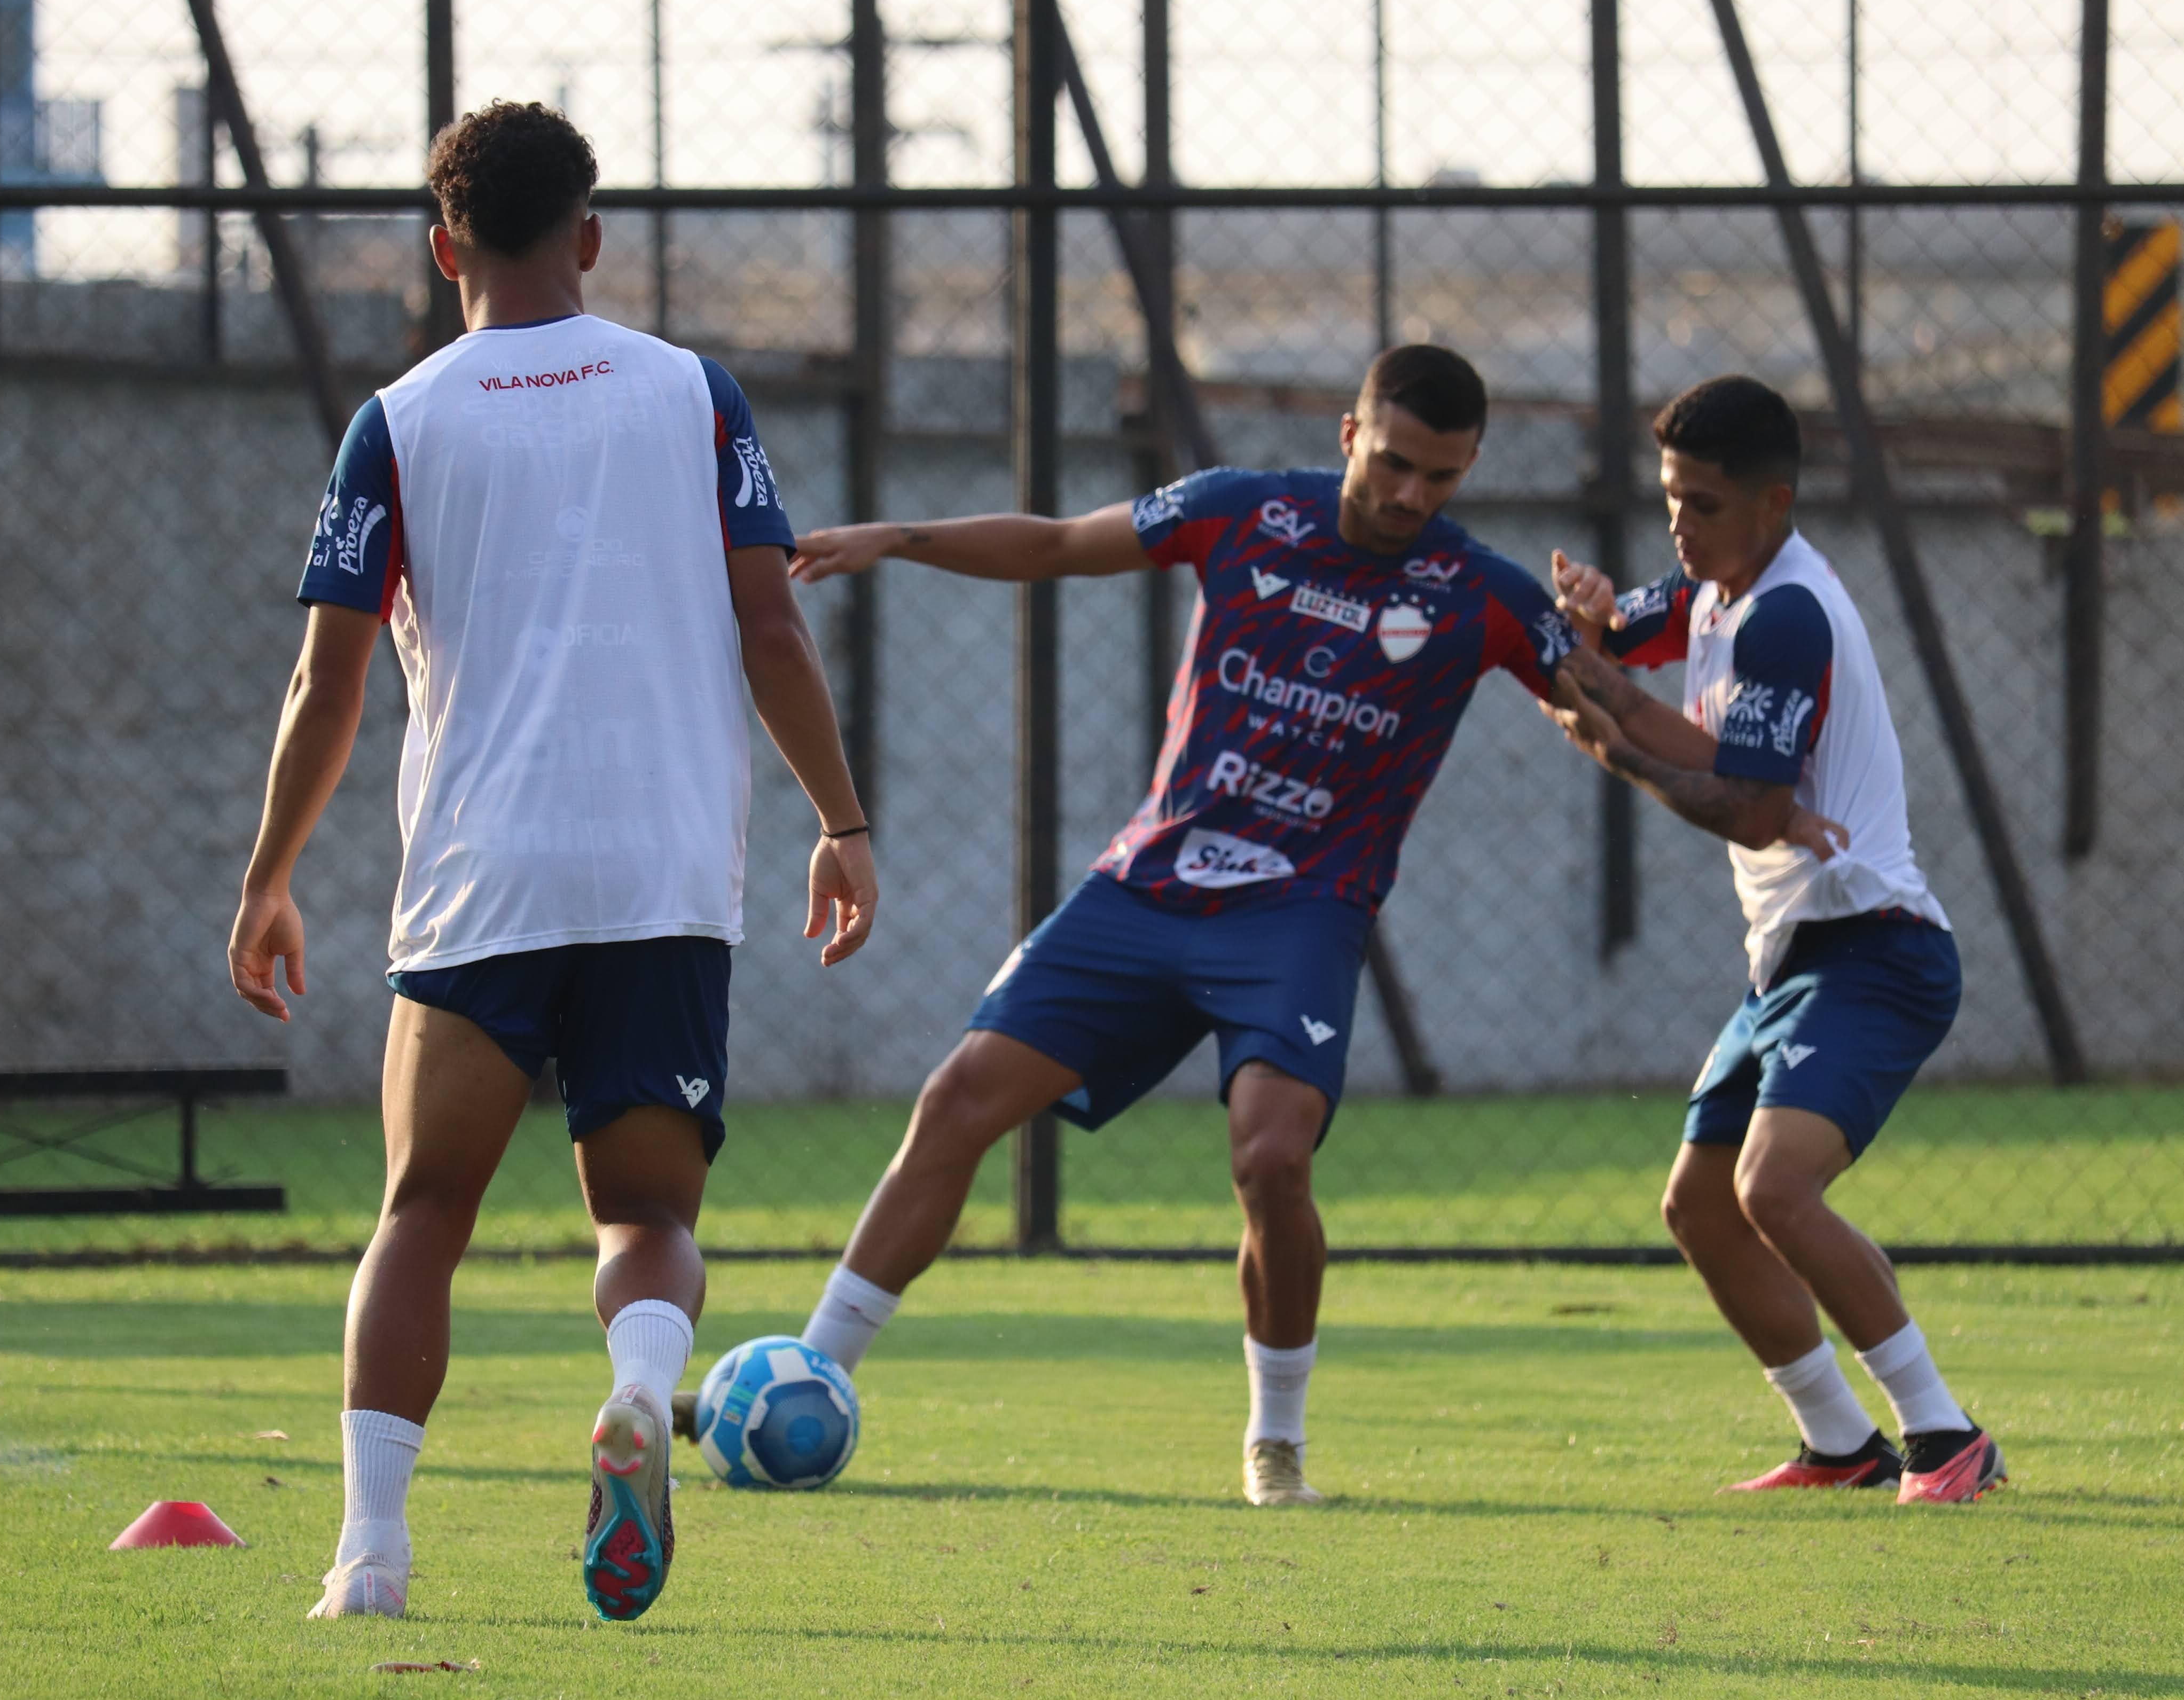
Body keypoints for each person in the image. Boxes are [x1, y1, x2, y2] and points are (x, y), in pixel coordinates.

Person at [226, 101, 878, 1623]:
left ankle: (369, 1559)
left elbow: (328, 682)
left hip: (481, 877)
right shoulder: (693, 394)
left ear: (441, 245)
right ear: (590, 235)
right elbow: (772, 624)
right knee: (646, 1218)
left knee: (422, 1213)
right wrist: (842, 825)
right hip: (661, 876)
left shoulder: (399, 418)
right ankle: (645, 1392)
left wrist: (269, 874)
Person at [757, 346, 1587, 1507]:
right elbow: (1053, 544)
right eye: (1395, 463)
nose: (1411, 496)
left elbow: (1611, 703)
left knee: (1270, 1156)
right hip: (1148, 887)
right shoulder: (1242, 511)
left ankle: (1276, 1440)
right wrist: (897, 535)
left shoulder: (1481, 593)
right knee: (956, 1101)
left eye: (1440, 477)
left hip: (1301, 912)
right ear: (1350, 433)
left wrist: (1632, 661)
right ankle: (810, 1378)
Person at [1543, 373, 2002, 1503]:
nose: (1678, 525)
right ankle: (1840, 1444)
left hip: (1876, 951)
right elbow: (1602, 655)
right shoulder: (1707, 589)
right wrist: (1590, 627)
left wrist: (1610, 727)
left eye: (1701, 504)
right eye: (1668, 500)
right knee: (1698, 1206)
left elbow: (1737, 799)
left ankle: (1945, 1435)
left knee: (1772, 1191)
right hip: (1798, 958)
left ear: (1773, 503)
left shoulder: (1785, 613)